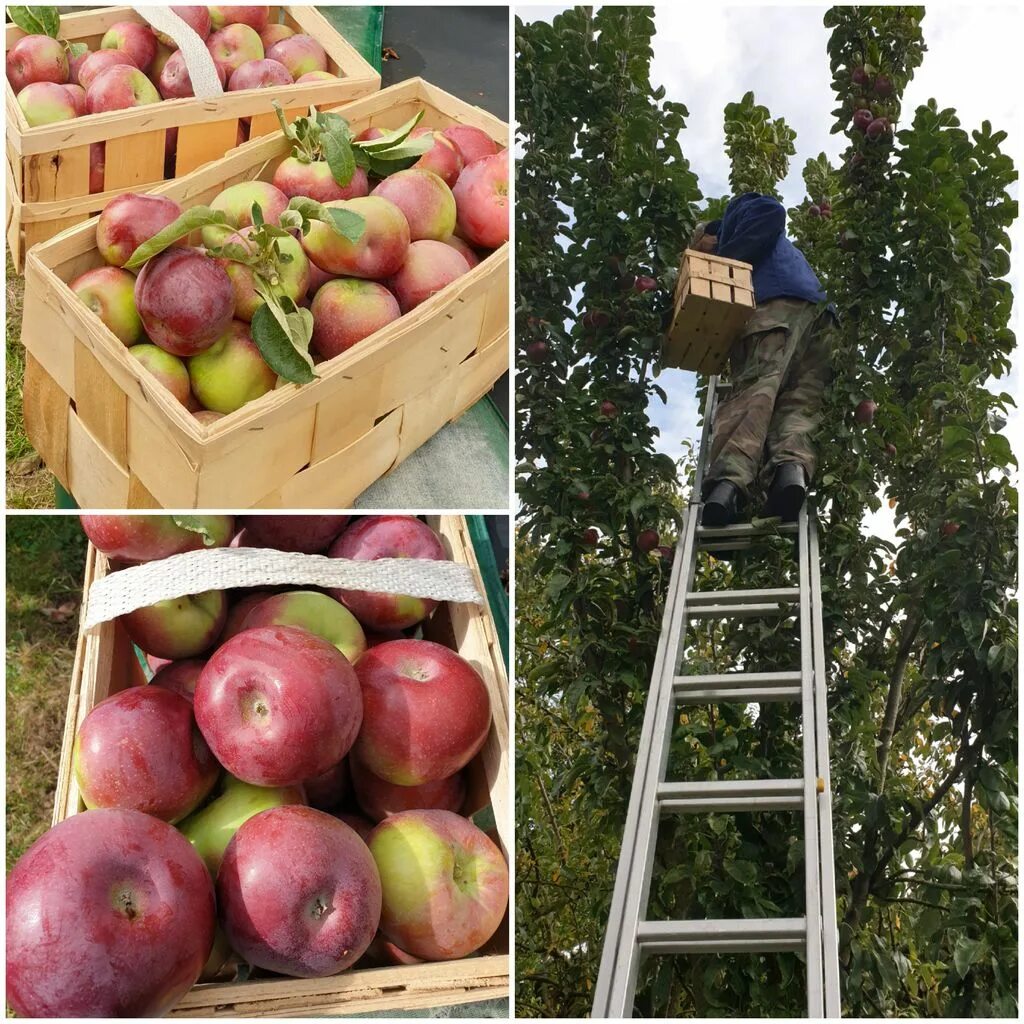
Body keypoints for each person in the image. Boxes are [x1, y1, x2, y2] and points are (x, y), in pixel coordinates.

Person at [691, 192, 836, 527]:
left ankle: (725, 490)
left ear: (708, 235)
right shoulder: (783, 254)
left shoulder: (736, 217)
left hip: (776, 304)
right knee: (799, 405)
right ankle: (790, 475)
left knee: (754, 393)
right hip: (820, 320)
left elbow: (772, 211)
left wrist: (722, 259)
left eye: (700, 251)